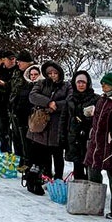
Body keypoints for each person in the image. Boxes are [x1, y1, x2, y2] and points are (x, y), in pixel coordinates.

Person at [84, 71, 112, 219]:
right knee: (93, 172)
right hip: (97, 143)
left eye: (106, 83)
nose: (103, 85)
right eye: (102, 83)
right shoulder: (101, 99)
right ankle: (94, 204)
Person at [26, 61, 69, 190]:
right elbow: (33, 96)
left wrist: (56, 106)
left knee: (57, 153)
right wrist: (48, 102)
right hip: (42, 125)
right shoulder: (41, 83)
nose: (52, 76)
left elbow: (69, 101)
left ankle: (58, 179)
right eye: (50, 73)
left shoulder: (66, 86)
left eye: (55, 73)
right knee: (43, 153)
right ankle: (45, 176)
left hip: (57, 124)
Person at [62, 71, 98, 180]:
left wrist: (88, 118)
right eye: (78, 82)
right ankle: (78, 191)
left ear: (87, 83)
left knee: (89, 165)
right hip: (73, 137)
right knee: (77, 166)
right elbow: (64, 119)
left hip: (88, 137)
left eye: (83, 82)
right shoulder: (70, 99)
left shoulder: (96, 99)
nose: (81, 85)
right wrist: (62, 137)